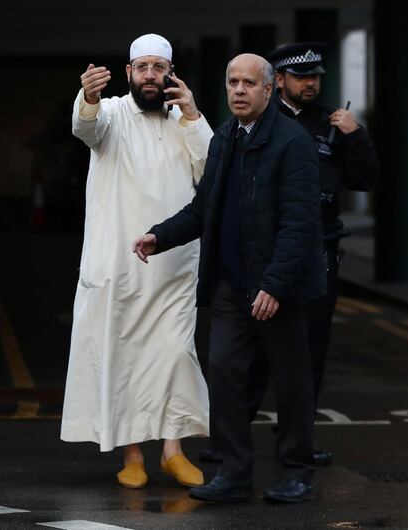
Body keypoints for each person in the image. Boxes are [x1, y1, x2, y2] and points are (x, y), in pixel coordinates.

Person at [133, 53, 325, 503]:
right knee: (224, 374)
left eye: (248, 84)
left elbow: (300, 225)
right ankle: (235, 473)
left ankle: (296, 472)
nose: (239, 90)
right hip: (231, 286)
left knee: (292, 382)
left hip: (281, 290)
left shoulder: (292, 143)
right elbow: (204, 209)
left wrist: (275, 285)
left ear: (270, 89)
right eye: (232, 82)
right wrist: (159, 236)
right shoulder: (224, 138)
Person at [61, 33, 213, 489]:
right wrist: (88, 96)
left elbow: (211, 172)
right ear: (128, 73)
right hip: (118, 266)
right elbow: (84, 128)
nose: (150, 75)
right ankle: (131, 456)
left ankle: (172, 450)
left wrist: (193, 115)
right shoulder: (109, 115)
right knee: (121, 356)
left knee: (174, 356)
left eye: (158, 67)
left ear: (170, 72)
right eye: (142, 67)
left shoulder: (185, 119)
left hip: (175, 266)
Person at [267, 41, 380, 466]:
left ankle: (300, 439)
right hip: (272, 250)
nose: (311, 84)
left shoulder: (335, 123)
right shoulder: (262, 119)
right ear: (279, 81)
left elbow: (366, 179)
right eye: (301, 77)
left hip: (320, 251)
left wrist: (356, 135)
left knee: (311, 349)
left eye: (315, 77)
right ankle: (230, 444)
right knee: (256, 350)